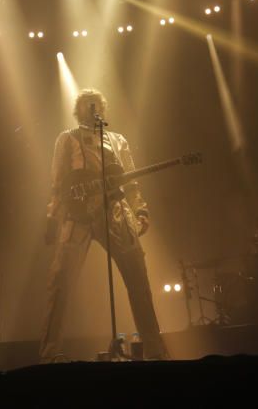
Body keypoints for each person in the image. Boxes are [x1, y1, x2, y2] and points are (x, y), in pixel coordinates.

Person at [39, 88, 168, 361]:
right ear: (78, 110)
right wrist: (52, 217)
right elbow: (58, 183)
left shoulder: (118, 140)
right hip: (78, 218)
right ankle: (48, 356)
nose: (93, 108)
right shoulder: (67, 139)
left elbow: (131, 180)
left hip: (116, 214)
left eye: (96, 104)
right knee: (60, 283)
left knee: (138, 280)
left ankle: (156, 351)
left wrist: (140, 210)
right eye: (87, 104)